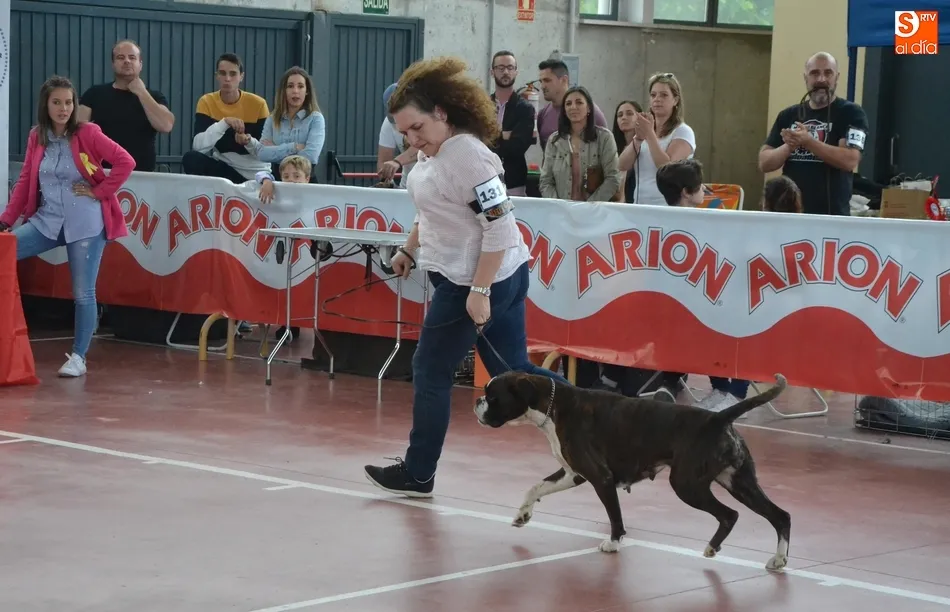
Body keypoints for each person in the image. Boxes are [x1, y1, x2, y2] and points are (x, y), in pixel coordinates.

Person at [363, 57, 570, 498]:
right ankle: (609, 418)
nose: (412, 139)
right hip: (492, 275)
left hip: (476, 280)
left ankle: (419, 473)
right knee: (514, 372)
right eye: (404, 133)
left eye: (417, 127)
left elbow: (500, 226)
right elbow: (433, 211)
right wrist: (409, 248)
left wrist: (478, 290)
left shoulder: (469, 157)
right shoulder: (433, 151)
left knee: (431, 369)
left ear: (441, 112)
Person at [0, 75, 135, 377]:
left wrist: (99, 192)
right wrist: (5, 221)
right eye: (57, 102)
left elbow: (126, 161)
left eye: (68, 102)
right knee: (3, 253)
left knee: (83, 292)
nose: (63, 108)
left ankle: (78, 357)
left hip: (85, 222)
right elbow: (25, 181)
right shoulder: (37, 136)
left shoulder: (88, 132)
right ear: (45, 105)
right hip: (46, 222)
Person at [758, 52, 868, 216]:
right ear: (806, 78)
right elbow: (765, 163)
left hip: (832, 216)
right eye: (815, 73)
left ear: (836, 77)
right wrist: (789, 145)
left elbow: (850, 160)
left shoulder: (851, 113)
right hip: (791, 214)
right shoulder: (788, 115)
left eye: (828, 73)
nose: (821, 79)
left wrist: (809, 142)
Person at [618, 72, 696, 205]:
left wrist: (649, 134)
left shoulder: (683, 131)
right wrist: (637, 139)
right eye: (653, 95)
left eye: (664, 95)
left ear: (675, 100)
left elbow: (667, 169)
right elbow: (621, 165)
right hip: (640, 204)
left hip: (666, 206)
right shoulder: (646, 130)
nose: (657, 99)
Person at [539, 86, 620, 203]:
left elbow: (613, 178)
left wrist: (588, 207)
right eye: (568, 104)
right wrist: (558, 206)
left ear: (589, 108)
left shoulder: (604, 138)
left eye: (579, 102)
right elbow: (545, 181)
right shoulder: (554, 141)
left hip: (594, 211)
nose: (573, 107)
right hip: (561, 212)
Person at [246, 66, 325, 182]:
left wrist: (275, 149)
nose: (295, 91)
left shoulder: (315, 119)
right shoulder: (273, 119)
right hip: (277, 185)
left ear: (307, 91)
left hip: (306, 184)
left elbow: (311, 156)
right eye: (290, 86)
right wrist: (294, 147)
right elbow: (262, 154)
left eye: (300, 86)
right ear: (284, 90)